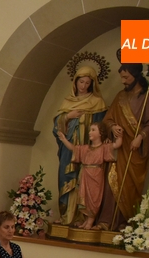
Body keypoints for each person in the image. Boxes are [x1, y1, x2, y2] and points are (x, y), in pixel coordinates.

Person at [99, 63, 149, 229]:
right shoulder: (120, 96)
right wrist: (113, 127)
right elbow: (107, 119)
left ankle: (124, 222)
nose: (123, 81)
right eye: (122, 77)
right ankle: (106, 221)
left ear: (136, 76)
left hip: (135, 149)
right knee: (110, 182)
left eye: (126, 77)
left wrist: (141, 137)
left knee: (129, 186)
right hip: (118, 147)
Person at [52, 65, 107, 225]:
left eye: (87, 83)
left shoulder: (97, 102)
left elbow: (102, 127)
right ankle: (66, 216)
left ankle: (81, 217)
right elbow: (56, 127)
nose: (83, 86)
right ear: (75, 82)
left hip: (86, 150)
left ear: (92, 84)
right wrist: (68, 116)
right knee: (65, 177)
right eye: (81, 82)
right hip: (68, 150)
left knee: (84, 181)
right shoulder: (67, 101)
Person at [57, 122, 122, 229]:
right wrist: (64, 139)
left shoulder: (104, 147)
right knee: (85, 198)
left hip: (96, 175)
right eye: (90, 130)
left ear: (100, 133)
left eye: (93, 130)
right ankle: (86, 221)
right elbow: (74, 148)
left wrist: (119, 134)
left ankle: (90, 221)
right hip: (85, 175)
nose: (89, 132)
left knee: (94, 198)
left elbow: (117, 145)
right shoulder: (85, 148)